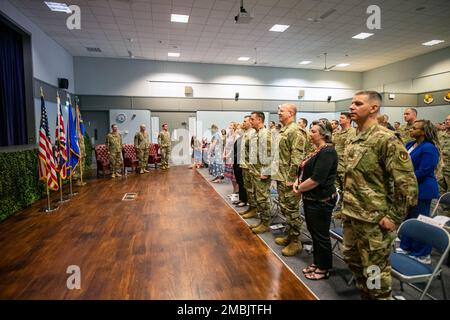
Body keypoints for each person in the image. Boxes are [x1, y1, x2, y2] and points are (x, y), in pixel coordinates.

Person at [341, 91, 418, 299]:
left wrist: (393, 217)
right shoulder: (353, 137)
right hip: (352, 215)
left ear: (373, 108)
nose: (352, 107)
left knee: (374, 271)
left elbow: (408, 186)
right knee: (353, 261)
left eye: (358, 104)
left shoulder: (386, 139)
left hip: (374, 221)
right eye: (351, 104)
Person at [293, 122, 338, 279]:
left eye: (313, 131)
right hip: (311, 198)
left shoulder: (328, 152)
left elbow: (316, 179)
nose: (309, 133)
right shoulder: (316, 150)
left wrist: (299, 188)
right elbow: (304, 171)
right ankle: (317, 262)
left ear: (323, 134)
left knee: (321, 235)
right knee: (314, 232)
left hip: (321, 200)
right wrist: (297, 182)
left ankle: (324, 268)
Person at [398, 120, 440, 264]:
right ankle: (406, 246)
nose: (411, 130)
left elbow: (424, 170)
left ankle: (423, 253)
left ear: (423, 132)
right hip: (409, 187)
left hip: (423, 188)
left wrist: (403, 177)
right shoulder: (410, 144)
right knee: (408, 218)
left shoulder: (429, 148)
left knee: (419, 220)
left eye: (414, 128)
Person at [272, 104, 307, 256]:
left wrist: (292, 179)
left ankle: (296, 241)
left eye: (281, 111)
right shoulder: (284, 129)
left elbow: (297, 158)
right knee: (285, 208)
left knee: (292, 210)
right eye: (278, 110)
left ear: (291, 113)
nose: (278, 112)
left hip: (288, 178)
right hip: (281, 176)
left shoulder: (295, 131)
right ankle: (290, 235)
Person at [248, 111, 272, 234]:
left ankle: (266, 223)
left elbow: (269, 154)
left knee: (263, 198)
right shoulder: (256, 133)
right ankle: (262, 221)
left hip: (262, 172)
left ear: (259, 120)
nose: (250, 121)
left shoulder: (265, 134)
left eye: (252, 119)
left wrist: (266, 172)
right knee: (258, 198)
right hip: (255, 170)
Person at [332, 112, 356, 193]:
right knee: (336, 191)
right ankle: (337, 205)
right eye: (340, 117)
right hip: (336, 166)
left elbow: (350, 151)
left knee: (347, 191)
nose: (340, 119)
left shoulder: (352, 132)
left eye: (342, 118)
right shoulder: (337, 132)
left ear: (349, 119)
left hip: (345, 167)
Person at [240, 116, 258, 218]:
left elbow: (253, 152)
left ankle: (254, 209)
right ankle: (251, 207)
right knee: (247, 189)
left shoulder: (252, 133)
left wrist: (251, 167)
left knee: (251, 190)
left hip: (249, 166)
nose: (244, 123)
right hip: (244, 164)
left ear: (250, 122)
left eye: (245, 121)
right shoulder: (246, 133)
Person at [438, 115, 450, 215]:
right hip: (441, 170)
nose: (447, 121)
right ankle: (443, 217)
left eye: (449, 120)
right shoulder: (441, 134)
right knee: (441, 195)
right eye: (446, 119)